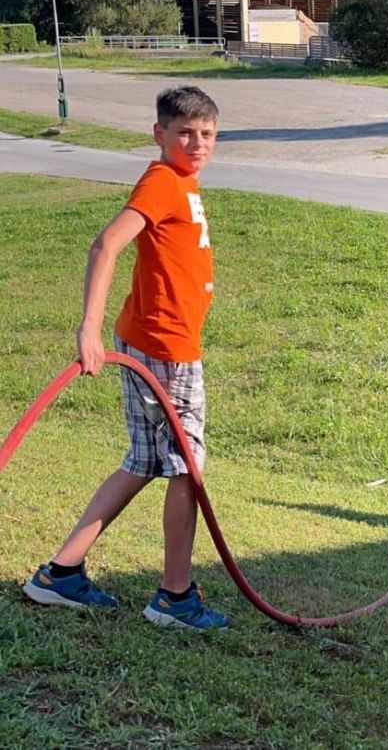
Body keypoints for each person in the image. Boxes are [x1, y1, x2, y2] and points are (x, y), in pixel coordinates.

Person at [23, 86, 228, 629]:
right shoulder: (163, 181)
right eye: (185, 132)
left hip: (153, 341)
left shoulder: (182, 180)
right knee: (188, 469)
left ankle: (60, 574)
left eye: (207, 134)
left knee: (143, 461)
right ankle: (175, 598)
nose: (197, 142)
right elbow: (106, 244)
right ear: (159, 134)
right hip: (166, 351)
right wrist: (88, 328)